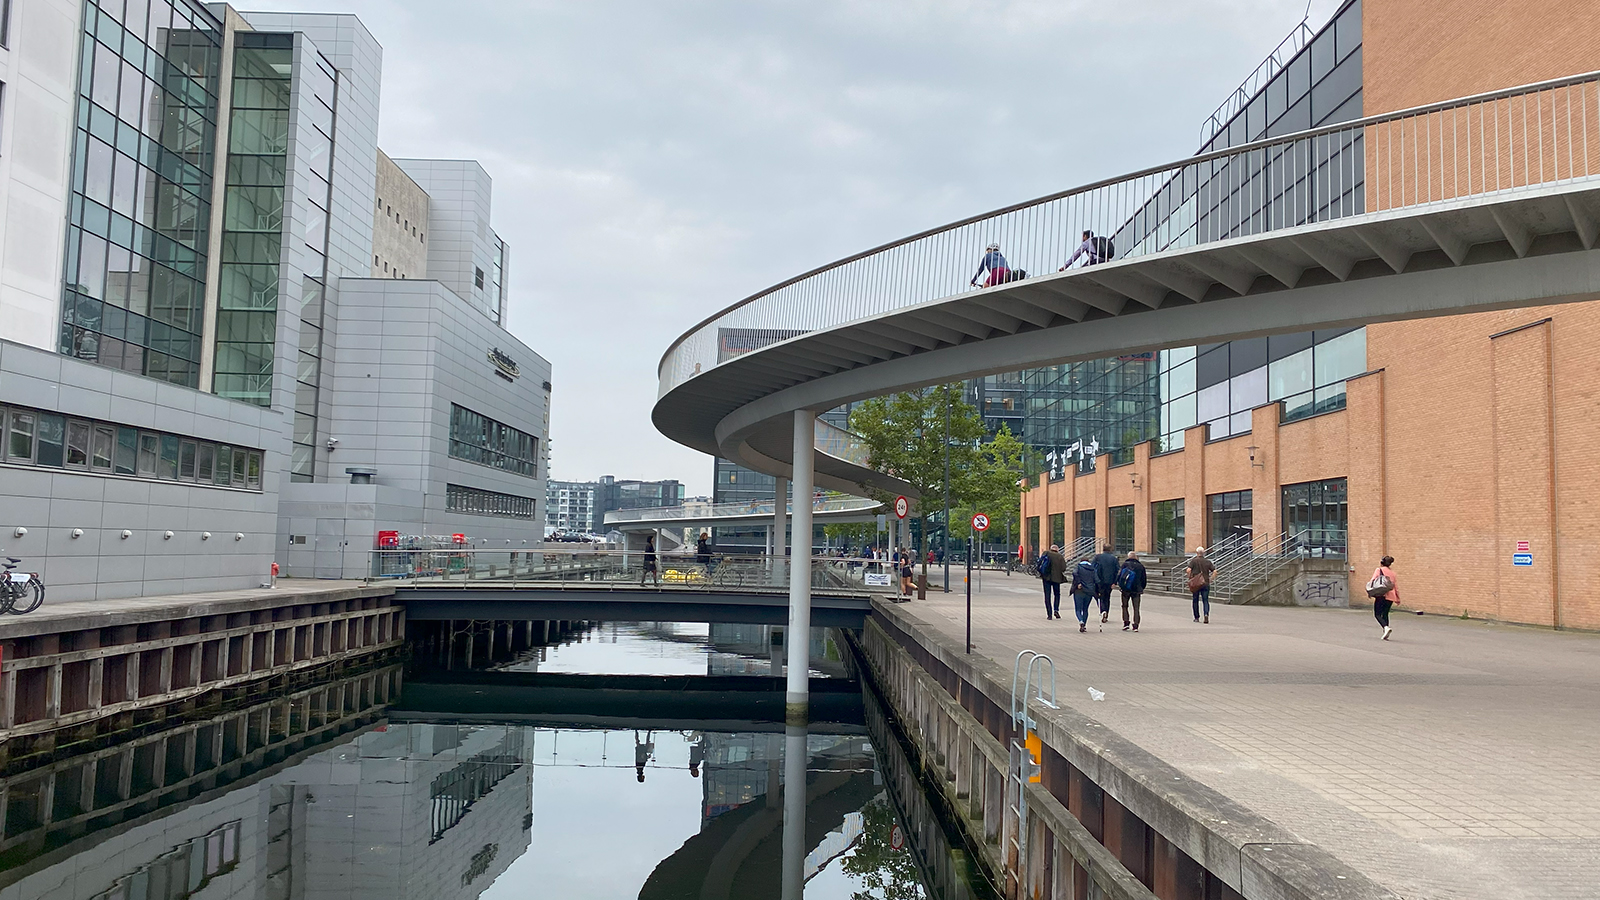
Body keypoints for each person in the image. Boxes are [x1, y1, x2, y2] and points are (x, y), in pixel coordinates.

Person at [1369, 555, 1401, 640]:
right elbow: (1395, 586)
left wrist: (1370, 592)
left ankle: (1385, 628)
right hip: (1391, 596)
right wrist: (1397, 598)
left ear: (1381, 563)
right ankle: (1386, 631)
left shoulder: (1379, 570)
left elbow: (1373, 581)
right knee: (1385, 614)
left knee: (1377, 614)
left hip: (1381, 594)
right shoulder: (1393, 573)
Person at [1117, 551, 1148, 632]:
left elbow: (1120, 576)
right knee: (1136, 608)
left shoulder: (1125, 565)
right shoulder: (1140, 566)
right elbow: (1144, 579)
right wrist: (1141, 588)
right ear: (1136, 557)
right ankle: (1136, 625)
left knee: (1124, 606)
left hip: (1125, 590)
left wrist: (1121, 586)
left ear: (1128, 557)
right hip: (1136, 590)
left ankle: (1126, 623)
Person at [1069, 556, 1099, 633]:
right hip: (1089, 591)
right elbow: (1097, 580)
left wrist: (1078, 583)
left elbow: (1074, 573)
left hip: (1079, 590)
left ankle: (1081, 621)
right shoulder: (1093, 569)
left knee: (1078, 609)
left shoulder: (1078, 567)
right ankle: (1084, 625)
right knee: (1085, 609)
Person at [1186, 546, 1215, 623]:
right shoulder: (1208, 562)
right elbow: (1215, 571)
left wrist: (1190, 577)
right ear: (1204, 553)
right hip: (1205, 583)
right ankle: (1206, 614)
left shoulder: (1193, 561)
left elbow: (1188, 570)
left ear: (1197, 553)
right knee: (1205, 600)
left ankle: (1196, 617)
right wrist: (1211, 579)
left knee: (1195, 600)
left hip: (1196, 583)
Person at [1091, 544, 1119, 625]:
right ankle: (1106, 612)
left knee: (1099, 596)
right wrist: (1115, 582)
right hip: (1109, 582)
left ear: (1103, 549)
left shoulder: (1097, 557)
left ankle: (1102, 610)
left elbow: (1092, 568)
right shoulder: (1113, 558)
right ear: (1110, 549)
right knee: (1107, 597)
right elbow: (1117, 571)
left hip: (1099, 581)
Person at [1038, 543, 1067, 620]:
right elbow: (1063, 568)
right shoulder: (1060, 556)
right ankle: (1056, 610)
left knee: (1047, 596)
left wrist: (1041, 573)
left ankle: (1049, 614)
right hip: (1057, 579)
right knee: (1057, 594)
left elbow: (1039, 563)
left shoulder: (1046, 553)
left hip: (1046, 578)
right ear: (1057, 549)